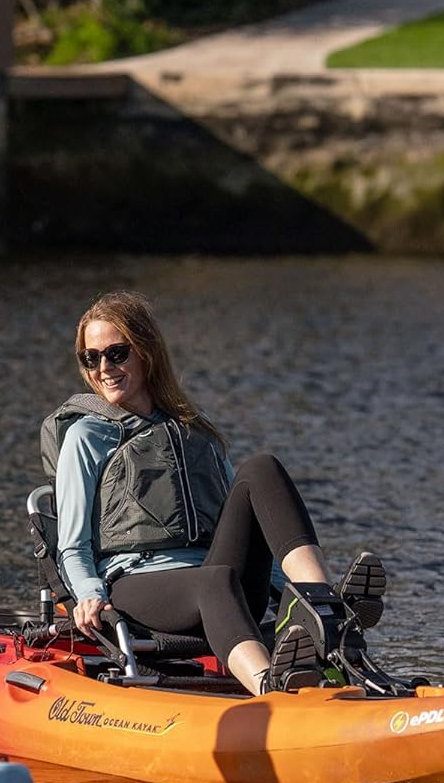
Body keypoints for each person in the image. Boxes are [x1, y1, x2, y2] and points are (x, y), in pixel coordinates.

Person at [42, 291, 388, 696]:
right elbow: (72, 545)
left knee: (261, 469)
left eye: (116, 353)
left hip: (218, 581)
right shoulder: (86, 435)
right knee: (214, 581)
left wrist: (283, 593)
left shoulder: (194, 428)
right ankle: (269, 687)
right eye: (91, 358)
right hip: (138, 585)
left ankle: (323, 608)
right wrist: (89, 595)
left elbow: (252, 527)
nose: (104, 368)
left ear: (146, 352)